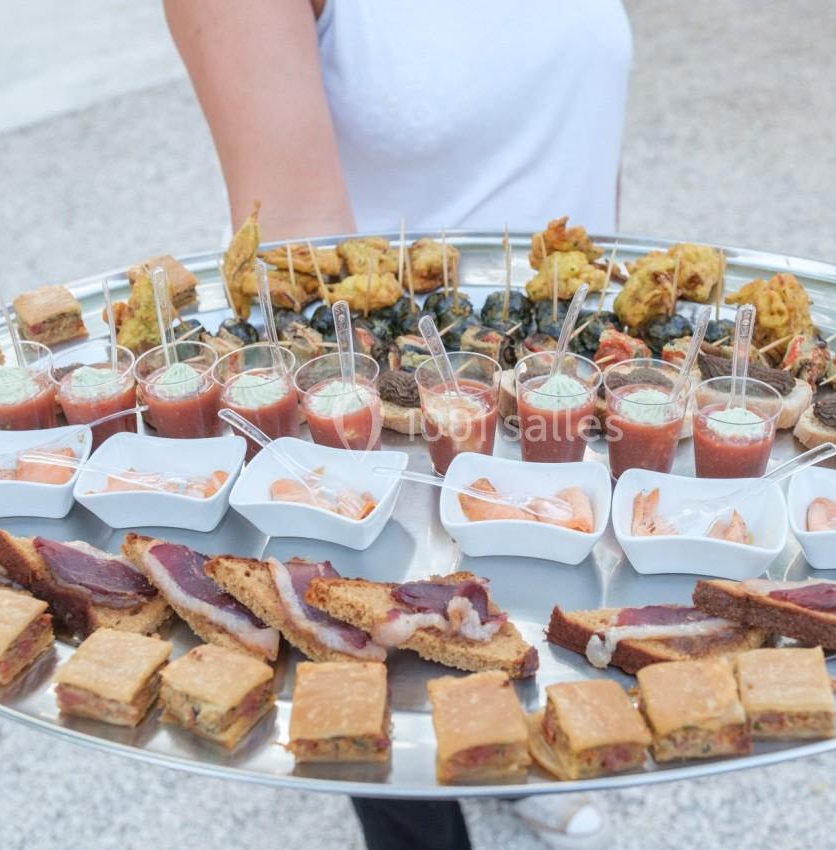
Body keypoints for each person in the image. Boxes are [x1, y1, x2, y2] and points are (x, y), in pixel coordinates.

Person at [164, 2, 633, 847]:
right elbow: (298, 248)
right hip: (373, 406)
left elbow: (584, 123)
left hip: (566, 382)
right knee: (387, 645)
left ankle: (515, 743)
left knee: (535, 624)